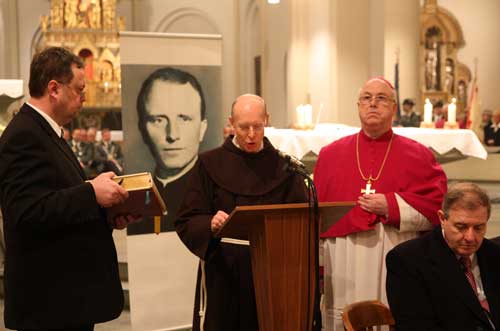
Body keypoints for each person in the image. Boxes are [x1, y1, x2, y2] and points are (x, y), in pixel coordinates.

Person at [0, 47, 138, 331]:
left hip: (65, 300)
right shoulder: (25, 135)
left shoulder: (47, 132)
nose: (85, 97)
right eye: (79, 89)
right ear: (54, 88)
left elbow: (57, 202)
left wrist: (106, 215)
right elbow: (24, 213)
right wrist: (91, 193)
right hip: (48, 304)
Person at [313, 77, 447, 331]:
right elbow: (320, 216)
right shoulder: (330, 155)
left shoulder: (418, 155)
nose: (373, 104)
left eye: (381, 98)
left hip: (392, 249)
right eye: (367, 98)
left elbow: (435, 209)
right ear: (358, 105)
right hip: (343, 256)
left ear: (394, 108)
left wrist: (391, 206)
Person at [175, 94, 308, 331]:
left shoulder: (284, 166)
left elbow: (301, 216)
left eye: (257, 126)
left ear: (267, 120)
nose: (251, 135)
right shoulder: (210, 163)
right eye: (243, 127)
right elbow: (187, 218)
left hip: (273, 270)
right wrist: (210, 223)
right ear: (231, 123)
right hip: (225, 271)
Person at [386, 183, 500, 331]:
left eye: (478, 227)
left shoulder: (494, 253)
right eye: (461, 227)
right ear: (442, 218)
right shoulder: (407, 260)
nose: (470, 237)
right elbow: (415, 326)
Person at [129, 67, 208, 234]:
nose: (172, 134)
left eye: (184, 119)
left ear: (202, 128)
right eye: (158, 120)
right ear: (142, 130)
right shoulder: (135, 201)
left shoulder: (211, 195)